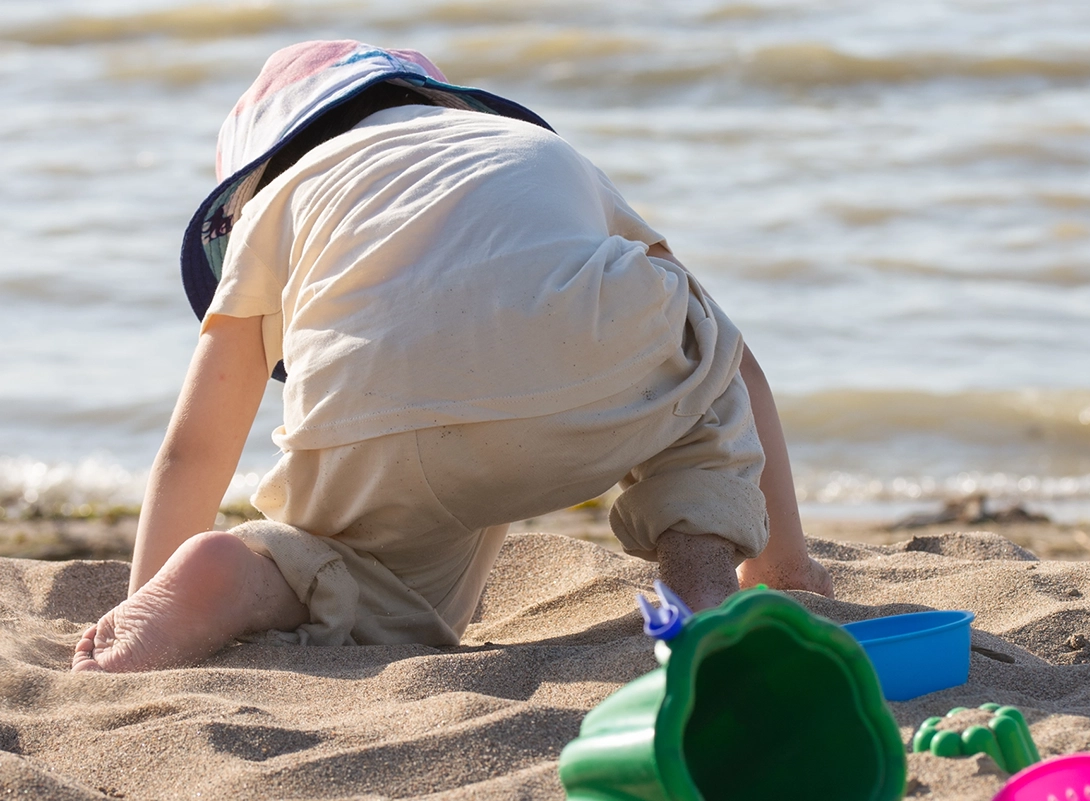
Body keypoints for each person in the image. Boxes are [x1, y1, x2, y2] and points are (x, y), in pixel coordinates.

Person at [72, 40, 831, 673]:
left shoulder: (278, 203)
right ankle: (702, 580)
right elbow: (737, 363)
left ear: (256, 172)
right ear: (442, 105)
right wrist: (786, 566)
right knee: (700, 353)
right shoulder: (530, 146)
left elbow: (195, 447)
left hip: (374, 412)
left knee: (380, 587)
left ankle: (244, 576)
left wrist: (143, 598)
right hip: (589, 370)